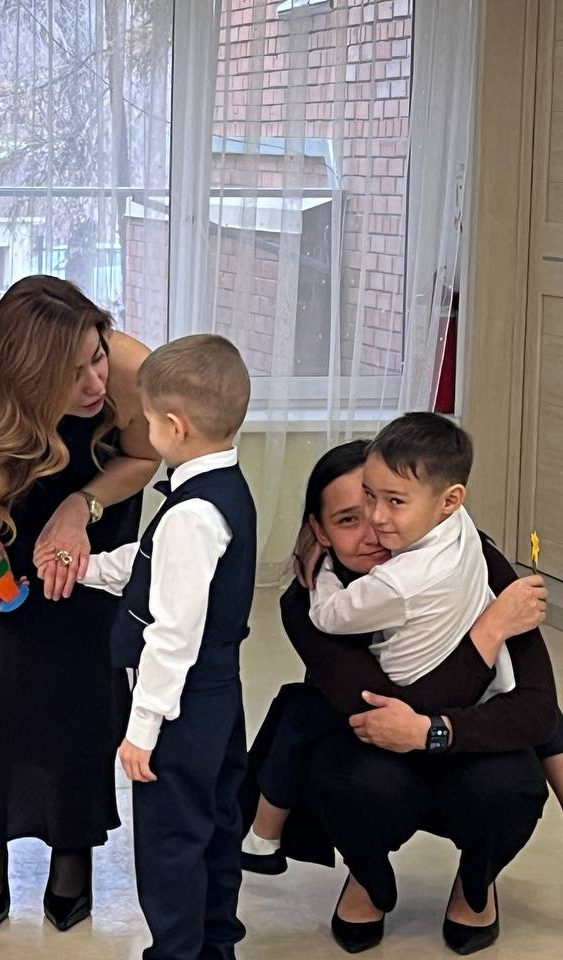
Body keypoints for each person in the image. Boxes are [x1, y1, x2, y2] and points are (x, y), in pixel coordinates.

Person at [241, 440, 561, 955]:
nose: (376, 527)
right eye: (348, 519)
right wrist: (489, 631)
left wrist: (438, 731)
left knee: (510, 787)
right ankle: (367, 877)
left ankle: (476, 883)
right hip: (377, 754)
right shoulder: (309, 601)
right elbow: (386, 711)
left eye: (384, 502)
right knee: (354, 782)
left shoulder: (468, 557)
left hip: (467, 748)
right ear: (319, 532)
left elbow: (539, 707)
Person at [0, 275, 160, 932]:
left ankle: (74, 845)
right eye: (71, 375)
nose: (95, 383)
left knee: (83, 684)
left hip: (93, 515)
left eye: (96, 358)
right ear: (25, 377)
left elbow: (144, 455)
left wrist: (83, 506)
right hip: (0, 517)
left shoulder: (130, 372)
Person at [74, 334, 255, 960]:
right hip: (220, 696)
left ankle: (176, 951)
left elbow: (172, 633)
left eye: (148, 421)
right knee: (217, 822)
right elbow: (156, 564)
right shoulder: (222, 488)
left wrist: (142, 729)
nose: (145, 431)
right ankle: (215, 945)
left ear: (175, 427)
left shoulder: (190, 515)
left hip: (182, 707)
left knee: (171, 840)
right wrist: (89, 568)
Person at [308, 414, 513, 697]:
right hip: (485, 681)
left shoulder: (399, 583)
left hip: (408, 692)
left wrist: (324, 564)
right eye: (370, 494)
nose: (376, 516)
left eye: (395, 501)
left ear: (451, 500)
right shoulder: (456, 520)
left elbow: (326, 614)